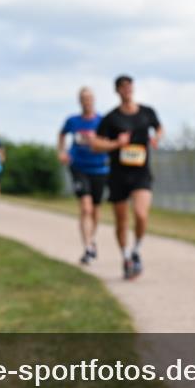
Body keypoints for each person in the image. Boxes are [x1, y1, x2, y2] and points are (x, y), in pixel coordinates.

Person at [93, 76, 162, 279]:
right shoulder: (111, 118)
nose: (127, 90)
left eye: (129, 87)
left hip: (141, 173)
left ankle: (137, 250)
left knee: (141, 214)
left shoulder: (147, 112)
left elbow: (159, 128)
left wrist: (157, 137)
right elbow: (96, 144)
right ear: (117, 91)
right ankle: (125, 256)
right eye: (123, 88)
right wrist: (116, 144)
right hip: (118, 175)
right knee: (121, 220)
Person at [59, 87, 110, 265]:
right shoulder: (72, 121)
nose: (86, 102)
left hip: (99, 168)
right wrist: (62, 151)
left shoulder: (102, 121)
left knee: (95, 209)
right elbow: (62, 134)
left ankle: (91, 239)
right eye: (83, 99)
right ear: (79, 101)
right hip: (78, 167)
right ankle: (88, 247)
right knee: (85, 208)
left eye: (89, 98)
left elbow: (110, 141)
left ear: (93, 100)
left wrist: (97, 143)